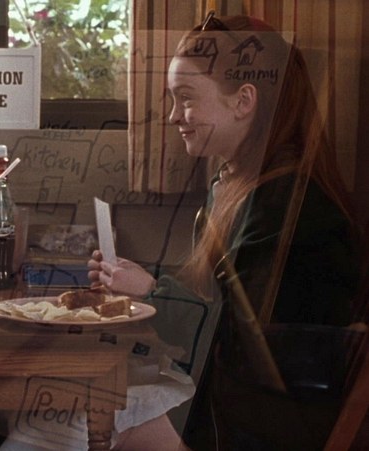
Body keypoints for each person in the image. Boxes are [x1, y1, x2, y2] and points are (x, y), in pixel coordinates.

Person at [88, 14, 364, 451]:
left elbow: (243, 341)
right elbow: (216, 300)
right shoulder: (235, 184)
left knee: (83, 418)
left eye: (186, 98)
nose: (174, 116)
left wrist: (150, 293)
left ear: (243, 100)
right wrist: (138, 283)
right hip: (232, 401)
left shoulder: (287, 204)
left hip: (259, 424)